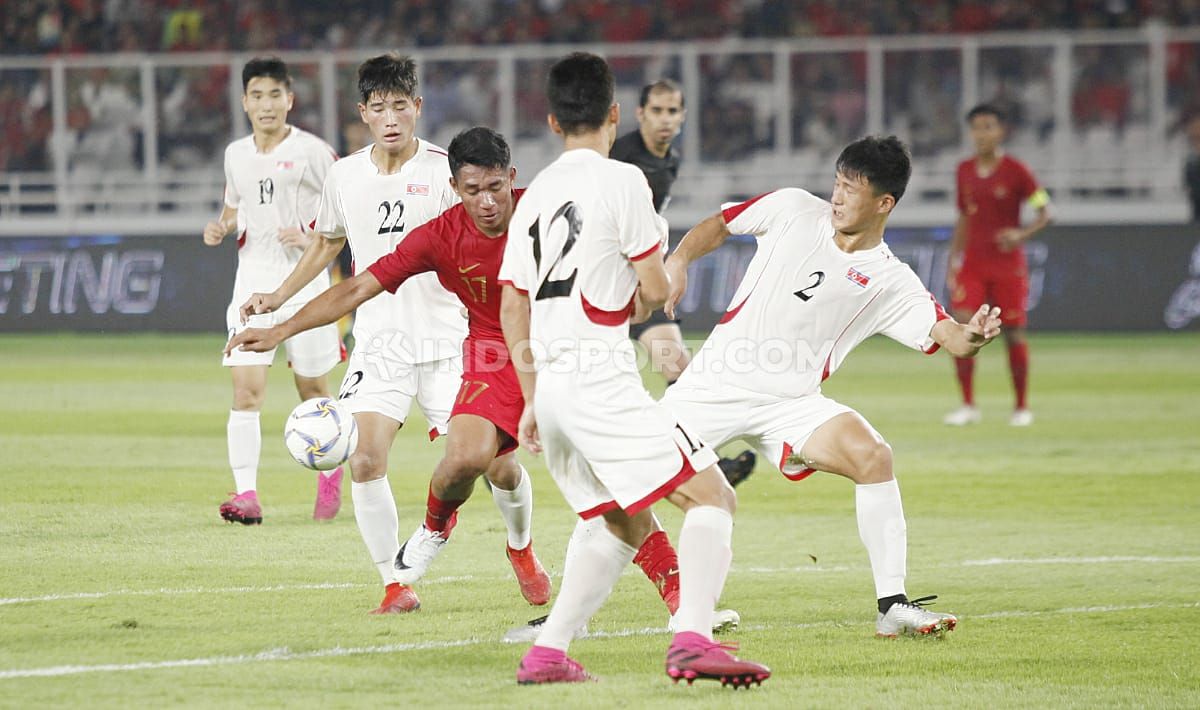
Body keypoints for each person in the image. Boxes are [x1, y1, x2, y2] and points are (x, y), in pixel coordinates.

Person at [499, 52, 769, 688]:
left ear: (551, 120)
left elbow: (514, 302)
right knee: (713, 496)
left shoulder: (535, 193)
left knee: (620, 523)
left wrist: (532, 398)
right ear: (616, 115)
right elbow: (650, 290)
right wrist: (657, 284)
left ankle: (549, 652)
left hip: (556, 390)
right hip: (600, 377)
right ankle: (692, 641)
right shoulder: (624, 182)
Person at [661, 135, 1002, 639]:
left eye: (852, 190)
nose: (838, 197)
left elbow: (949, 335)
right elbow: (719, 224)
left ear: (884, 203)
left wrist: (971, 337)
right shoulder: (794, 208)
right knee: (626, 478)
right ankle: (561, 616)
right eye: (838, 184)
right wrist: (678, 262)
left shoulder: (890, 279)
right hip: (713, 387)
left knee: (873, 455)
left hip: (792, 405)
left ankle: (892, 605)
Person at [231, 54, 532, 616]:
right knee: (364, 460)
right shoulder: (344, 175)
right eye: (378, 108)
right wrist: (277, 298)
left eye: (400, 106)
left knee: (498, 467)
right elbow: (327, 244)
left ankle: (521, 547)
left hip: (453, 342)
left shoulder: (450, 175)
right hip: (380, 341)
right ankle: (395, 584)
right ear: (362, 113)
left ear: (417, 108)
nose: (390, 117)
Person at [203, 57, 343, 526]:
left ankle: (329, 474)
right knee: (247, 392)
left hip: (306, 284)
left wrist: (310, 240)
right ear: (245, 102)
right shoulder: (235, 154)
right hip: (251, 283)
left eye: (274, 95)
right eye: (257, 95)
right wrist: (221, 227)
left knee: (313, 388)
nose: (266, 104)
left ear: (290, 100)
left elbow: (345, 213)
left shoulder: (314, 153)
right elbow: (234, 207)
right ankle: (246, 494)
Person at [610, 79, 757, 488]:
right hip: (605, 284)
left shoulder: (669, 160)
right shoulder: (621, 156)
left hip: (640, 282)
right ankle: (501, 453)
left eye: (672, 111)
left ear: (683, 116)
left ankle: (699, 461)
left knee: (679, 371)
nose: (665, 120)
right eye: (656, 111)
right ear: (639, 114)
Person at [944, 103, 1051, 427]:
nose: (981, 133)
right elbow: (964, 216)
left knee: (1014, 332)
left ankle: (1021, 407)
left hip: (1008, 265)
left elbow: (1045, 211)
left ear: (1002, 131)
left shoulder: (1017, 171)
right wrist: (953, 258)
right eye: (976, 127)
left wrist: (1021, 234)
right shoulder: (963, 170)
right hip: (974, 263)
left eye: (988, 126)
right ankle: (968, 405)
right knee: (963, 326)